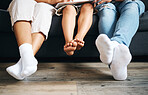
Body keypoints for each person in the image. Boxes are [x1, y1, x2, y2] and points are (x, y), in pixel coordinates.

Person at [6, 0, 69, 80]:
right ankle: (27, 60)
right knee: (21, 2)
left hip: (48, 5)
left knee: (43, 9)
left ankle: (23, 63)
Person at [94, 0, 145, 80]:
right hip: (105, 3)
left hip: (130, 1)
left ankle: (114, 44)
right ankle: (117, 66)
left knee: (132, 7)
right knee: (107, 11)